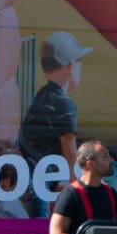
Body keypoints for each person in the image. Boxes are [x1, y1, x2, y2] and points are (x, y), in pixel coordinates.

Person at [17, 32, 89, 207]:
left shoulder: (43, 95)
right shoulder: (64, 105)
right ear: (70, 65)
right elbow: (70, 154)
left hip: (26, 177)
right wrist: (78, 192)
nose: (81, 66)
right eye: (79, 61)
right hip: (37, 185)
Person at [47, 140, 117, 234]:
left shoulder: (111, 192)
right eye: (106, 156)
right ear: (90, 164)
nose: (112, 160)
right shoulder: (70, 194)